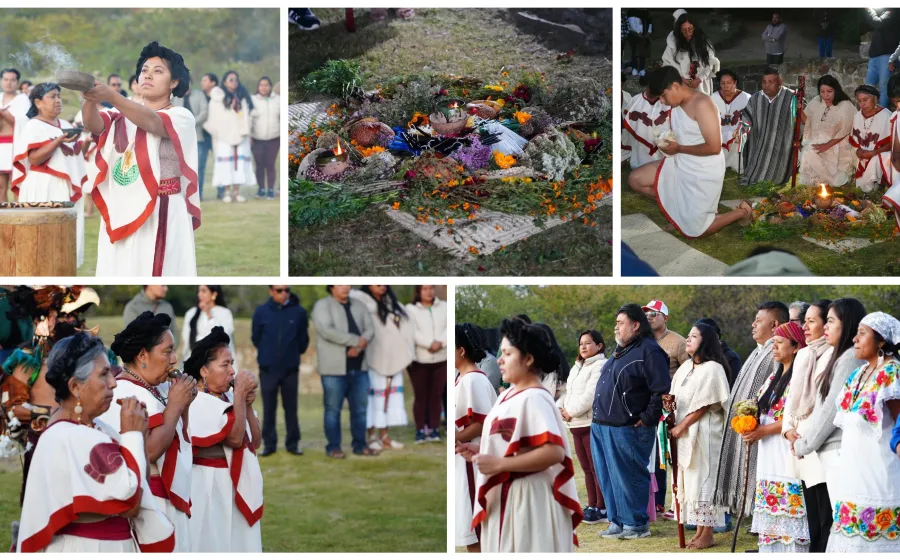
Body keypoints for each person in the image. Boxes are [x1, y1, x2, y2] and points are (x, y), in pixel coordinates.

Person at [15, 333, 175, 553]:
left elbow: (139, 481)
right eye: (104, 374)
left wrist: (138, 433)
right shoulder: (69, 435)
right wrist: (132, 435)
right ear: (75, 386)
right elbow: (132, 502)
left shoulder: (97, 427)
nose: (113, 383)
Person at [459, 317, 582, 552]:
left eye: (507, 353)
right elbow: (511, 441)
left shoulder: (536, 397)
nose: (499, 359)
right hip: (509, 494)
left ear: (528, 358)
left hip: (527, 497)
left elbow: (554, 452)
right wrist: (483, 449)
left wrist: (499, 463)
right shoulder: (509, 395)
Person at [82, 41, 200, 277]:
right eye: (144, 70)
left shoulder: (181, 115)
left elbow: (153, 123)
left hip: (162, 207)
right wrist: (90, 97)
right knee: (121, 267)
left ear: (174, 82)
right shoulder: (119, 116)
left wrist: (112, 96)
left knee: (157, 268)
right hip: (124, 203)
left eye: (158, 71)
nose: (147, 76)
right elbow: (92, 124)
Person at [99, 311, 198, 552]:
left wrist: (182, 405)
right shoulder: (125, 392)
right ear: (143, 355)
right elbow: (150, 451)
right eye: (167, 351)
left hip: (165, 501)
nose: (174, 359)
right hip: (152, 503)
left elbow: (177, 439)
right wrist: (175, 406)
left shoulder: (152, 388)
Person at [628, 66, 751, 238]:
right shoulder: (677, 102)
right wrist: (668, 142)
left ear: (675, 87)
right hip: (679, 159)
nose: (662, 101)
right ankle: (679, 213)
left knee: (696, 231)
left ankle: (743, 211)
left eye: (663, 96)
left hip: (703, 167)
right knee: (636, 180)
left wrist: (678, 148)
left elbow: (714, 147)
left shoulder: (702, 104)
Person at [789, 298, 867, 552]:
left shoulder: (848, 359)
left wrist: (805, 443)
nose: (824, 329)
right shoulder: (841, 356)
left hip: (838, 449)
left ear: (848, 325)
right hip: (828, 449)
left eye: (830, 321)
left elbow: (831, 409)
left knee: (838, 522)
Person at [592, 304, 670, 540]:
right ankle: (617, 521)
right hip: (603, 425)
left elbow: (661, 390)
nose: (616, 327)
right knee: (608, 476)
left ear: (636, 325)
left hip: (628, 427)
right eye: (615, 323)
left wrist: (646, 418)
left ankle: (636, 524)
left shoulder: (649, 351)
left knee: (630, 476)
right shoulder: (621, 350)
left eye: (620, 323)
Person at [184, 327, 263, 552]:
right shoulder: (195, 401)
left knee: (238, 542)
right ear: (204, 370)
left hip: (234, 483)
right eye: (225, 364)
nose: (232, 371)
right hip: (207, 485)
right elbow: (235, 439)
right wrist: (239, 395)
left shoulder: (229, 397)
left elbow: (255, 440)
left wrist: (246, 404)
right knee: (212, 541)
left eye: (232, 363)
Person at [826, 311, 900, 552]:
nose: (855, 339)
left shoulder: (892, 373)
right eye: (855, 333)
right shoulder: (857, 374)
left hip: (881, 474)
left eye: (862, 333)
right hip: (853, 475)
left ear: (881, 341)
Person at [714, 301, 788, 517]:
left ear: (774, 324)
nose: (753, 324)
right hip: (749, 428)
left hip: (767, 431)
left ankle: (760, 518)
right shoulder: (758, 352)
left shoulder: (775, 353)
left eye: (758, 320)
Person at [745, 321, 811, 552]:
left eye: (779, 343)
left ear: (796, 347)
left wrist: (762, 431)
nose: (774, 347)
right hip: (768, 453)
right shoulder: (774, 377)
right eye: (773, 342)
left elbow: (797, 418)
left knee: (790, 513)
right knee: (771, 517)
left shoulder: (800, 377)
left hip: (786, 453)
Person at [11, 83, 87, 268]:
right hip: (42, 185)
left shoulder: (66, 125)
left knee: (64, 238)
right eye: (52, 96)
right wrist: (59, 140)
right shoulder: (33, 126)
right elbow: (34, 159)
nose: (58, 100)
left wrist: (86, 143)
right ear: (38, 102)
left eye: (59, 96)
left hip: (64, 185)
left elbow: (72, 156)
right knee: (42, 239)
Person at [669, 321, 730, 550]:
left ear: (706, 341)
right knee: (692, 480)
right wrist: (670, 419)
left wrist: (682, 425)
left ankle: (708, 533)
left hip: (705, 432)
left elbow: (705, 404)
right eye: (688, 335)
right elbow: (675, 398)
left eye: (693, 336)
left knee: (706, 480)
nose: (688, 339)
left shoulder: (713, 368)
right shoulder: (686, 367)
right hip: (684, 432)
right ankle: (700, 530)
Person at [311, 285, 378, 458]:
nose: (346, 287)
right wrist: (357, 341)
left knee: (360, 411)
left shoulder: (359, 305)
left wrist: (361, 345)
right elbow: (327, 331)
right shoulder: (322, 306)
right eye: (341, 284)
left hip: (360, 367)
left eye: (347, 284)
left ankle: (360, 445)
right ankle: (333, 447)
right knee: (333, 410)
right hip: (334, 370)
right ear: (331, 287)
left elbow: (370, 328)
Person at [350, 285, 412, 451]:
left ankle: (385, 436)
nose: (381, 285)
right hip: (372, 356)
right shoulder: (359, 302)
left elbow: (405, 328)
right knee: (372, 399)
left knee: (388, 398)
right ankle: (371, 436)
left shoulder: (393, 304)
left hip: (393, 355)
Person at [453, 323, 498, 553]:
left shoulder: (473, 379)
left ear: (461, 350)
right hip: (462, 460)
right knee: (470, 531)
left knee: (476, 529)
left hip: (472, 462)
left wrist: (456, 437)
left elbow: (482, 422)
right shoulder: (462, 378)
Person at [251, 285, 309, 457]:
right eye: (279, 290)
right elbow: (256, 338)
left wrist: (290, 356)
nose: (284, 293)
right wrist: (268, 356)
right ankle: (269, 444)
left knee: (291, 408)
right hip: (268, 369)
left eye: (287, 290)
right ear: (271, 291)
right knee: (269, 409)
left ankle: (293, 444)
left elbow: (303, 341)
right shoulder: (261, 312)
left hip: (290, 369)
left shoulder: (299, 312)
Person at [558, 329, 607, 525]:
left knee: (596, 468)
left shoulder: (600, 365)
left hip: (589, 423)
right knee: (586, 468)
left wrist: (571, 412)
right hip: (574, 425)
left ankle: (603, 507)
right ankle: (592, 505)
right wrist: (560, 407)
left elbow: (590, 395)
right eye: (581, 343)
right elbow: (568, 392)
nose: (584, 347)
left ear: (599, 345)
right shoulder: (577, 366)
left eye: (588, 343)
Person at [205, 70, 256, 204]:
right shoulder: (217, 98)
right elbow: (213, 117)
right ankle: (226, 192)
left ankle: (236, 192)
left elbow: (247, 116)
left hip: (241, 134)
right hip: (224, 136)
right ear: (224, 82)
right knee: (226, 164)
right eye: (231, 79)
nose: (234, 82)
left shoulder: (242, 97)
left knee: (238, 164)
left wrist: (246, 131)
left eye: (236, 79)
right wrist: (219, 132)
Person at [739, 68, 796, 186]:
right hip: (759, 142)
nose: (767, 85)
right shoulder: (755, 98)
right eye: (764, 82)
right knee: (752, 173)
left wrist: (798, 139)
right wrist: (742, 128)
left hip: (781, 145)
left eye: (771, 82)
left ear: (780, 82)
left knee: (776, 177)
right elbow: (747, 116)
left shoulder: (791, 98)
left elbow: (800, 119)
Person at [406, 285, 448, 444]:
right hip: (419, 360)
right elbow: (411, 331)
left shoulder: (444, 307)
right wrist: (429, 343)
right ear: (418, 291)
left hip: (441, 359)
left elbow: (448, 327)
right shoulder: (410, 309)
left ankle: (435, 429)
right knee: (421, 396)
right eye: (424, 289)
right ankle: (420, 430)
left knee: (436, 395)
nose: (429, 292)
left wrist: (441, 342)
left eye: (431, 288)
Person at [796, 75, 855, 188]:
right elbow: (807, 122)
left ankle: (831, 181)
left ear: (836, 90)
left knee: (810, 150)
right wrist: (800, 110)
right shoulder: (816, 101)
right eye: (822, 91)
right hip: (817, 142)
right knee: (808, 150)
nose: (825, 95)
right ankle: (817, 182)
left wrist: (826, 145)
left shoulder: (845, 105)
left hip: (837, 145)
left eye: (829, 91)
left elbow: (845, 129)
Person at [662, 12, 720, 95]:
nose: (688, 32)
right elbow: (668, 64)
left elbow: (710, 62)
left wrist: (699, 79)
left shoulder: (704, 43)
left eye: (690, 28)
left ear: (694, 27)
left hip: (701, 84)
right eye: (684, 30)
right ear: (680, 30)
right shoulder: (673, 45)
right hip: (680, 85)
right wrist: (682, 79)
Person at [622, 75, 671, 169]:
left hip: (660, 145)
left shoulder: (666, 101)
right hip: (639, 144)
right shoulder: (636, 100)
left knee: (660, 166)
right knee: (639, 162)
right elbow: (627, 119)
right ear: (646, 86)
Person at [850, 84, 893, 192]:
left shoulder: (887, 116)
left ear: (876, 99)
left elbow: (892, 142)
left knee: (876, 160)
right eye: (859, 101)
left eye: (865, 100)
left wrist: (873, 153)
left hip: (880, 153)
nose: (862, 104)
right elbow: (855, 139)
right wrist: (859, 151)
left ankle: (878, 187)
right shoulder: (858, 115)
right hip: (862, 153)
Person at [182, 285, 235, 366]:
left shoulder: (224, 313)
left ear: (214, 294)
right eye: (199, 291)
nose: (199, 294)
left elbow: (224, 335)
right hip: (194, 359)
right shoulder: (191, 313)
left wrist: (208, 314)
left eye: (203, 291)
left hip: (217, 360)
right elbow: (186, 338)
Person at [175, 77, 209, 200]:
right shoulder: (174, 96)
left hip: (197, 136)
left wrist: (192, 121)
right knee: (180, 168)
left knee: (199, 167)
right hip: (179, 138)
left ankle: (198, 195)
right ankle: (182, 194)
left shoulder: (199, 95)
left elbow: (204, 112)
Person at [711, 69, 751, 172]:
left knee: (739, 137)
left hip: (739, 131)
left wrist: (741, 129)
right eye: (722, 83)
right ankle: (719, 164)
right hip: (719, 131)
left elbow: (750, 119)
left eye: (729, 83)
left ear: (735, 83)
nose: (726, 86)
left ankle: (738, 165)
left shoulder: (746, 98)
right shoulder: (713, 98)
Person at [0, 68, 30, 203]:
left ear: (17, 82)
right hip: (1, 145)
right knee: (0, 185)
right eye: (6, 79)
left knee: (17, 183)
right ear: (1, 81)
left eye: (12, 80)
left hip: (15, 144)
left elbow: (23, 122)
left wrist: (4, 114)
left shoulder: (23, 100)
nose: (9, 83)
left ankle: (19, 217)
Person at [864, 9, 900, 109]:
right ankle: (867, 115)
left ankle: (881, 116)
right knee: (867, 88)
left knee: (884, 88)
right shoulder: (881, 10)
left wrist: (869, 9)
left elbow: (877, 23)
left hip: (887, 55)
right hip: (874, 55)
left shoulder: (893, 10)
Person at [250, 76, 279, 199]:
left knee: (270, 164)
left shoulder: (278, 100)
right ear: (258, 87)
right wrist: (249, 135)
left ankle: (271, 189)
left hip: (274, 138)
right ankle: (261, 188)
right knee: (259, 164)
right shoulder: (252, 100)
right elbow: (249, 118)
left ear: (270, 86)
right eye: (261, 85)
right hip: (257, 138)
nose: (264, 87)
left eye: (266, 85)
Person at [696, 318, 742, 387]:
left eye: (699, 336)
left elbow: (734, 388)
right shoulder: (700, 356)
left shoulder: (732, 358)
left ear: (715, 336)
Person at [199, 73, 218, 198]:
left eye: (205, 80)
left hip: (217, 135)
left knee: (220, 163)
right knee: (200, 165)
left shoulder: (219, 97)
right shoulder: (200, 97)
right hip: (203, 135)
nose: (202, 83)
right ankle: (199, 194)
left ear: (213, 83)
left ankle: (222, 192)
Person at [886, 74, 900, 227]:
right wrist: (896, 158)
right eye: (895, 101)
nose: (899, 106)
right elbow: (896, 150)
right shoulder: (897, 116)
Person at [626, 9, 652, 77]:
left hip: (644, 35)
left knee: (642, 52)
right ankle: (634, 69)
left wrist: (648, 32)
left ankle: (642, 69)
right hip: (634, 35)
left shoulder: (645, 12)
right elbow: (632, 23)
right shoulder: (632, 11)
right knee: (634, 51)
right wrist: (638, 32)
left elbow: (650, 22)